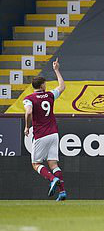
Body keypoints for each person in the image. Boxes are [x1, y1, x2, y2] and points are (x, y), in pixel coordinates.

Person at [23, 58, 67, 201]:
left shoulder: (29, 98)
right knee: (53, 164)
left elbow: (29, 112)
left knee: (35, 164)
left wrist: (27, 126)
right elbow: (62, 86)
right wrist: (57, 70)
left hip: (41, 135)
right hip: (54, 134)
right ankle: (62, 192)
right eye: (45, 84)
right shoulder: (49, 95)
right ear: (42, 85)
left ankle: (52, 179)